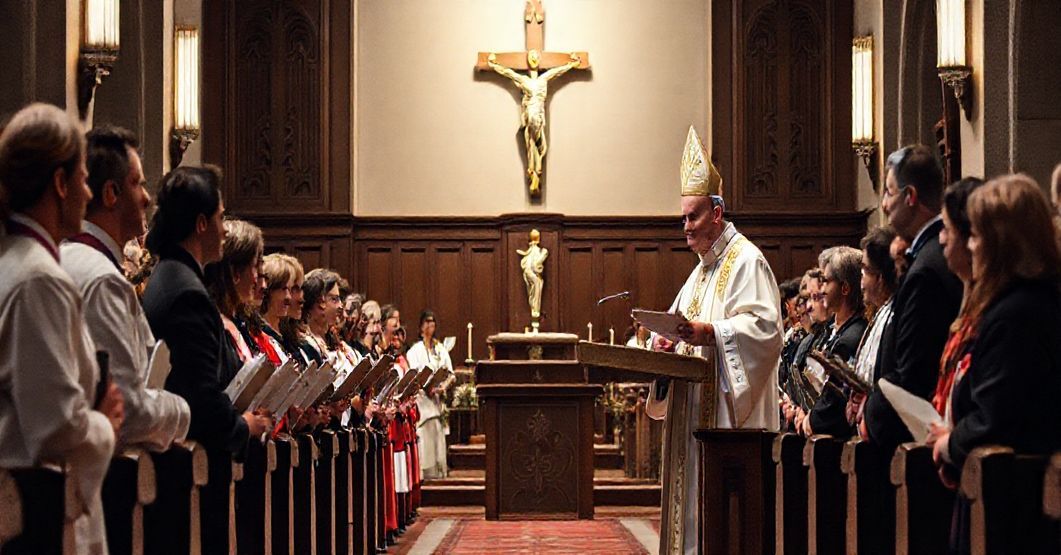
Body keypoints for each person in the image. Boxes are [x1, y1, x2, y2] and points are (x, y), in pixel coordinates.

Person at [646, 126, 782, 554]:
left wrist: (710, 333)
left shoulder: (747, 262)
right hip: (693, 417)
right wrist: (666, 347)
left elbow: (765, 332)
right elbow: (679, 326)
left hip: (725, 423)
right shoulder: (699, 272)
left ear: (718, 213)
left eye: (693, 217)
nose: (684, 227)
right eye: (683, 218)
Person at [0, 102, 124, 554]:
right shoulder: (38, 280)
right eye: (84, 179)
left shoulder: (20, 265)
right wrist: (105, 423)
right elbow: (53, 428)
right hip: (37, 520)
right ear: (59, 183)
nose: (88, 194)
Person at [926, 175, 1061, 552]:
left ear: (1001, 243)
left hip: (1016, 511)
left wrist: (951, 441)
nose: (970, 244)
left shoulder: (1017, 314)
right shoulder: (1021, 304)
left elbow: (996, 419)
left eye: (976, 235)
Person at [141, 165, 271, 551]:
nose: (226, 229)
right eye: (220, 218)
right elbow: (199, 395)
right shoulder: (188, 292)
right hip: (190, 472)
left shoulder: (172, 276)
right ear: (201, 224)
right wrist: (243, 427)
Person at [61, 125, 190, 452]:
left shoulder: (68, 259)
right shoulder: (101, 277)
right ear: (110, 194)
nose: (147, 198)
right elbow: (129, 410)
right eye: (138, 183)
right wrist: (181, 409)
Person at [862, 145, 963, 453]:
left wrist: (871, 414)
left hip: (917, 442)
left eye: (889, 193)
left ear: (910, 196)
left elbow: (915, 371)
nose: (884, 204)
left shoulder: (926, 269)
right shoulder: (925, 258)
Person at [930, 178, 985, 416]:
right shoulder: (970, 296)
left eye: (946, 228)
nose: (940, 238)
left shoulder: (1005, 312)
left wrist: (952, 440)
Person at [803, 247, 867, 439]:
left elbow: (834, 401)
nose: (822, 289)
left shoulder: (851, 337)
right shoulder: (836, 329)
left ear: (845, 288)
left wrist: (810, 420)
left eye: (826, 281)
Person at [845, 226, 899, 427]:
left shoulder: (893, 315)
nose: (861, 282)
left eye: (865, 271)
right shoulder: (880, 313)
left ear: (881, 277)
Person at [203, 219, 264, 378]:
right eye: (254, 266)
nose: (257, 278)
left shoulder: (237, 321)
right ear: (235, 271)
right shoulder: (209, 322)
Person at [406, 310, 454, 479]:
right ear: (420, 326)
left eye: (432, 322)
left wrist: (443, 387)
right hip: (423, 402)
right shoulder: (415, 350)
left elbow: (451, 374)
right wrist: (426, 386)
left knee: (438, 440)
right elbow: (412, 375)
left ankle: (440, 474)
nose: (430, 326)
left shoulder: (440, 348)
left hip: (437, 400)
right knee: (426, 440)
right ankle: (427, 475)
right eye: (426, 322)